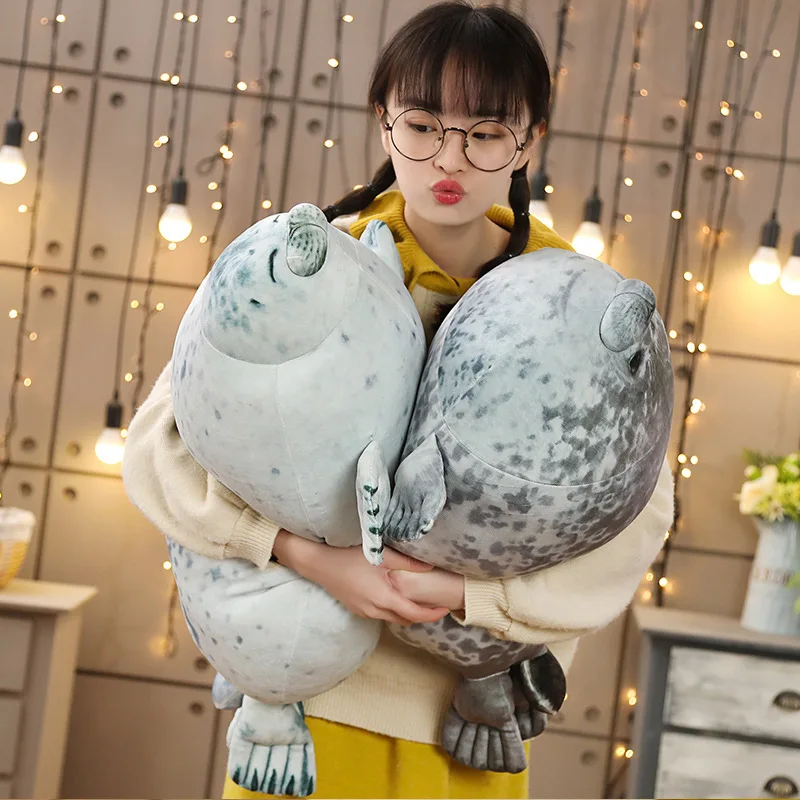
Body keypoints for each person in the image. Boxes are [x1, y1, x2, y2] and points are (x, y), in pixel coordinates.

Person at [122, 2, 674, 798]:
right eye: (421, 126)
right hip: (307, 713)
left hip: (464, 725)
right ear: (384, 122)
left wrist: (473, 595)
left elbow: (639, 515)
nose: (450, 159)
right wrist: (312, 558)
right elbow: (161, 444)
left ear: (529, 141)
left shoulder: (575, 308)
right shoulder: (315, 267)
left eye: (486, 134)